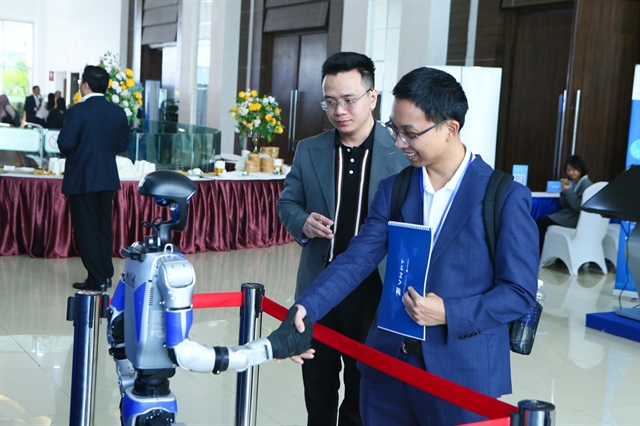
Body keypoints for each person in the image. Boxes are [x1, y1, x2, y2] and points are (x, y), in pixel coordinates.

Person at [281, 67, 539, 425]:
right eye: (395, 130)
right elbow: (356, 260)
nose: (400, 143)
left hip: (460, 376)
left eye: (411, 134)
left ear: (450, 129)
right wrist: (306, 308)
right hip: (387, 369)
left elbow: (519, 293)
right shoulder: (396, 189)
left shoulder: (504, 196)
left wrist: (449, 312)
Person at [277, 52, 408, 426]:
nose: (339, 111)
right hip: (320, 285)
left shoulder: (401, 154)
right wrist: (303, 223)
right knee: (317, 390)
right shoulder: (310, 149)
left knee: (361, 393)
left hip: (374, 291)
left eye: (349, 100)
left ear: (372, 97)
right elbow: (287, 203)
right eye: (330, 102)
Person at [58, 65, 129, 291]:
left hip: (82, 177)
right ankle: (105, 273)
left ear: (86, 85)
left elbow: (65, 144)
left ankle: (96, 278)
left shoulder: (78, 111)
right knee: (102, 227)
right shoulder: (117, 112)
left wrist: (83, 151)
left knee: (86, 228)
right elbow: (122, 144)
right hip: (107, 176)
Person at [536, 155, 592, 253]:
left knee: (541, 223)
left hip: (573, 218)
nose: (571, 172)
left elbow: (577, 206)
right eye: (568, 170)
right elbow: (564, 205)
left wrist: (568, 191)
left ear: (580, 169)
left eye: (574, 169)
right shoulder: (574, 183)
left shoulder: (586, 184)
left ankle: (540, 253)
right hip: (568, 216)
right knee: (541, 222)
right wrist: (563, 192)